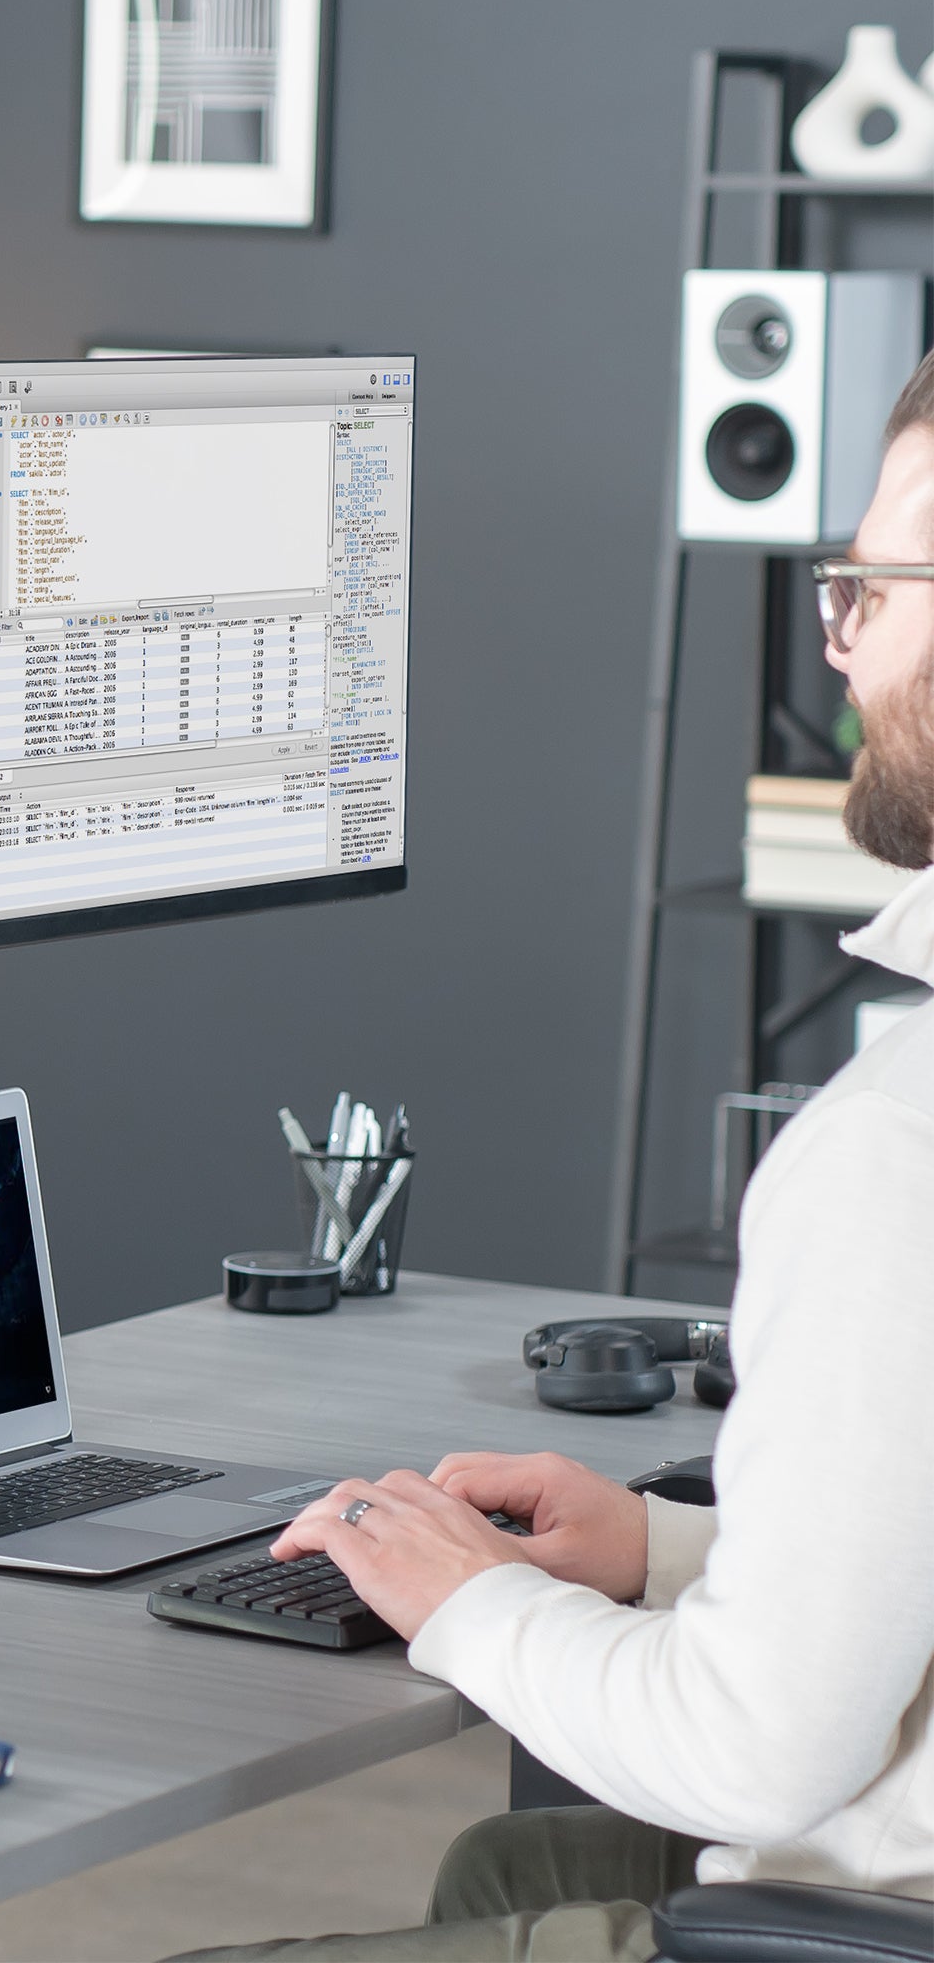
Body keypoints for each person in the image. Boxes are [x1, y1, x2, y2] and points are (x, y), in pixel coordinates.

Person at [175, 353, 934, 1962]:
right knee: (497, 1884)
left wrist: (469, 1601)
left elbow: (755, 1751)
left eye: (878, 576)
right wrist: (662, 1552)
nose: (840, 629)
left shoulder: (891, 1151)